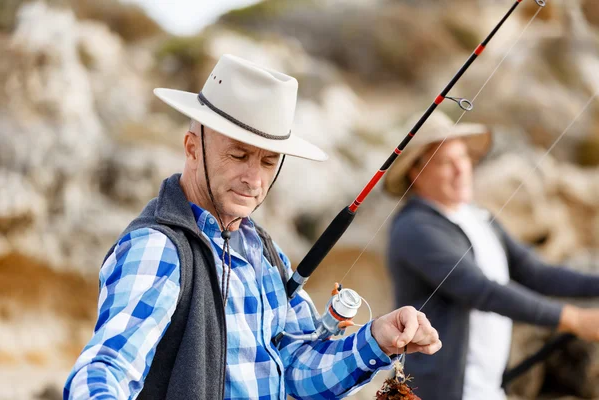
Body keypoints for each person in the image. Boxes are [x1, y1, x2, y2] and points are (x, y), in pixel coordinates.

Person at [63, 54, 442, 400]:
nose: (253, 179)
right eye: (239, 155)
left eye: (267, 161)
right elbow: (105, 369)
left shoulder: (262, 249)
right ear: (192, 147)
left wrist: (378, 338)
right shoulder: (158, 247)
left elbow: (295, 365)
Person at [383, 110, 599, 400]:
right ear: (415, 172)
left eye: (464, 159)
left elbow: (537, 274)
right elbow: (480, 290)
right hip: (441, 392)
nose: (462, 169)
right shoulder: (414, 229)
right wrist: (575, 319)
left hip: (488, 389)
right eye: (448, 162)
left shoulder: (478, 218)